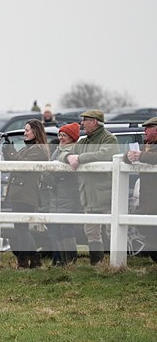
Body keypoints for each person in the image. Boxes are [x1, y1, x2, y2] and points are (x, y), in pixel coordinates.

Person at [58, 109, 118, 264]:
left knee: (111, 230)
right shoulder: (83, 142)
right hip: (88, 194)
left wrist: (79, 158)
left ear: (94, 122)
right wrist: (68, 156)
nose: (82, 123)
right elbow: (62, 154)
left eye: (85, 120)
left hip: (106, 194)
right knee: (91, 231)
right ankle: (96, 263)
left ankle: (115, 264)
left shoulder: (109, 139)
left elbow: (104, 155)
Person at [2, 119, 50, 268]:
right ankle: (35, 260)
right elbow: (13, 163)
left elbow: (21, 165)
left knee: (22, 229)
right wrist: (7, 151)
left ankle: (23, 262)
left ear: (35, 131)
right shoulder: (26, 149)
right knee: (21, 229)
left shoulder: (39, 150)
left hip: (26, 193)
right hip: (19, 193)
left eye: (27, 130)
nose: (25, 133)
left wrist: (11, 151)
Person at [43, 122, 82, 265]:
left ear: (72, 137)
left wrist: (53, 174)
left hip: (68, 194)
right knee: (54, 228)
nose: (60, 138)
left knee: (66, 228)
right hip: (56, 195)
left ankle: (70, 260)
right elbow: (50, 166)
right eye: (60, 135)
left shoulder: (74, 150)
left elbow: (63, 170)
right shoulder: (58, 149)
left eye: (64, 135)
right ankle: (60, 259)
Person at [125, 117, 157, 257]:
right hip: (146, 199)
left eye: (147, 128)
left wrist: (141, 156)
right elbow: (127, 158)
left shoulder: (145, 150)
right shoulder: (145, 146)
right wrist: (128, 156)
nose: (144, 131)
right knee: (149, 233)